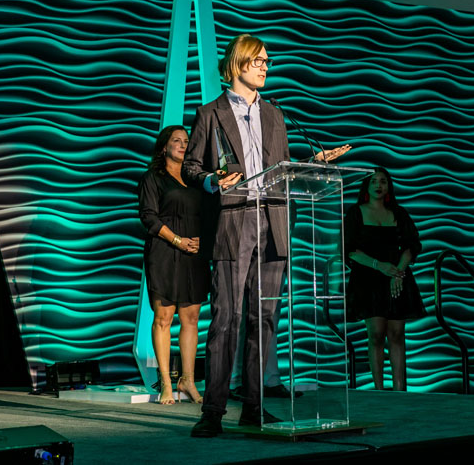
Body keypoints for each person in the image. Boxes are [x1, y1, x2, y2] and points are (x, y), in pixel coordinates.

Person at [183, 34, 349, 437]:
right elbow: (190, 167)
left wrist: (313, 162)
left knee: (266, 319)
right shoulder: (211, 113)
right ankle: (213, 411)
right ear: (239, 63)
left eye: (267, 61)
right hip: (233, 220)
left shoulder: (276, 114)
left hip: (273, 223)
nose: (265, 67)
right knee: (226, 318)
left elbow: (282, 168)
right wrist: (212, 181)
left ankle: (254, 409)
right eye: (259, 60)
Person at [138, 125, 210, 405]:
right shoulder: (152, 178)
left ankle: (188, 381)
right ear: (164, 147)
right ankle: (167, 383)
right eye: (176, 141)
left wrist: (202, 242)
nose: (182, 144)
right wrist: (179, 241)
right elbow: (149, 218)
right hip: (165, 251)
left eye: (186, 141)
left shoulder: (196, 180)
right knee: (164, 318)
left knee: (191, 318)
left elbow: (208, 215)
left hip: (195, 252)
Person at [344, 168, 424, 391]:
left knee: (397, 334)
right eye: (374, 181)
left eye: (383, 181)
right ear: (366, 186)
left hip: (397, 279)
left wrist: (398, 271)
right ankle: (379, 390)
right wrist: (380, 266)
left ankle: (401, 390)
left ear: (389, 186)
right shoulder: (355, 213)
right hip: (368, 279)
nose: (379, 185)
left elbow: (412, 245)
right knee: (376, 333)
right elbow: (349, 250)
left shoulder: (399, 213)